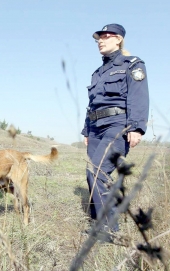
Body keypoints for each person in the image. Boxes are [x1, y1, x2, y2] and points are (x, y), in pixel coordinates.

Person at [81, 24, 149, 233]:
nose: (100, 41)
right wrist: (86, 130)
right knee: (92, 172)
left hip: (118, 125)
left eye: (106, 37)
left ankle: (110, 230)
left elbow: (138, 96)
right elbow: (93, 102)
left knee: (100, 172)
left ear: (118, 39)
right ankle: (98, 221)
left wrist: (136, 128)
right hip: (95, 128)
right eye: (98, 38)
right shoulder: (98, 72)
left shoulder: (132, 64)